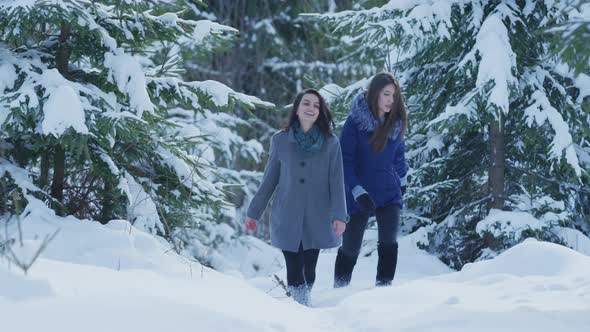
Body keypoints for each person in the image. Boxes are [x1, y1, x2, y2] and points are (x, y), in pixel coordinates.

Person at [244, 88, 347, 306]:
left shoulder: (331, 143)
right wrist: (254, 212)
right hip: (287, 214)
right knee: (294, 268)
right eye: (306, 103)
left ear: (321, 112)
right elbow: (270, 180)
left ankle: (302, 304)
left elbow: (337, 182)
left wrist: (340, 215)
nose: (311, 108)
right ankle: (301, 311)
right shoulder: (280, 141)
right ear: (297, 109)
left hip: (317, 215)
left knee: (309, 269)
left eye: (316, 105)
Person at [334, 72, 408, 288]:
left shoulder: (395, 123)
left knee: (389, 243)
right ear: (375, 93)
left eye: (394, 96)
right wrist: (358, 191)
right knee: (350, 248)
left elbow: (398, 157)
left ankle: (383, 291)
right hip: (359, 193)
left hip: (388, 191)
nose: (390, 100)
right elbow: (344, 162)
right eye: (386, 94)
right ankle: (339, 290)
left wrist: (403, 180)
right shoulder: (355, 123)